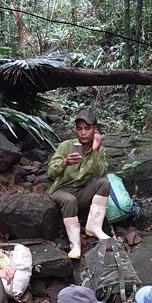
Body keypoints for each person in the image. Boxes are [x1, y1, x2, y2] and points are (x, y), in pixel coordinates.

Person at [48, 108, 110, 259]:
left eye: (87, 129)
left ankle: (94, 227)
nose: (83, 133)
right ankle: (75, 245)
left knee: (104, 183)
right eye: (79, 129)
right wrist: (65, 162)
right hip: (61, 190)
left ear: (95, 130)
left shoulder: (99, 150)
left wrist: (95, 151)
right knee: (70, 200)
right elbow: (50, 173)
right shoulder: (66, 146)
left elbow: (100, 174)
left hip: (81, 192)